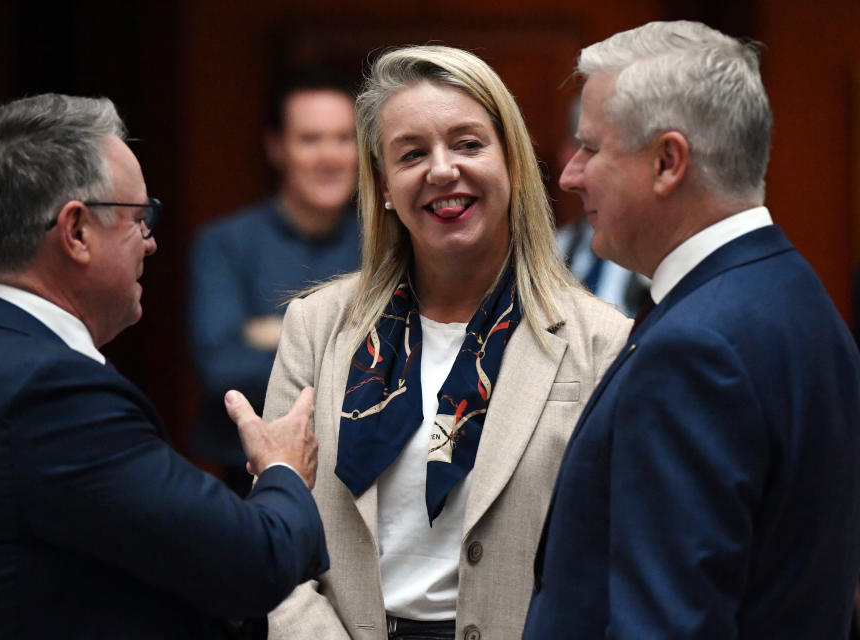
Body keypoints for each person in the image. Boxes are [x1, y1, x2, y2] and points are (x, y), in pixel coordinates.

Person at [0, 93, 328, 639]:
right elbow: (254, 563)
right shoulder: (48, 393)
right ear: (76, 232)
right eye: (138, 217)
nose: (150, 243)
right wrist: (284, 469)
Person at [264, 45, 630, 639]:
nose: (441, 170)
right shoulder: (316, 327)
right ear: (383, 184)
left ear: (510, 160)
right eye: (411, 154)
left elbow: (614, 551)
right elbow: (274, 537)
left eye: (467, 144)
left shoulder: (600, 340)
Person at [522, 21, 860, 639]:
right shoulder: (795, 293)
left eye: (592, 149)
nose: (571, 176)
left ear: (667, 162)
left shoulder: (695, 349)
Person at [187, 68, 361, 495]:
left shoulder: (387, 244)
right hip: (246, 481)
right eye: (310, 140)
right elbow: (222, 370)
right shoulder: (225, 243)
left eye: (343, 138)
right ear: (277, 148)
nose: (331, 156)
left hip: (364, 478)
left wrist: (278, 333)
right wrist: (351, 343)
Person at [555, 97, 651, 318]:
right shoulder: (553, 250)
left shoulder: (665, 254)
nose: (569, 177)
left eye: (592, 150)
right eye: (578, 148)